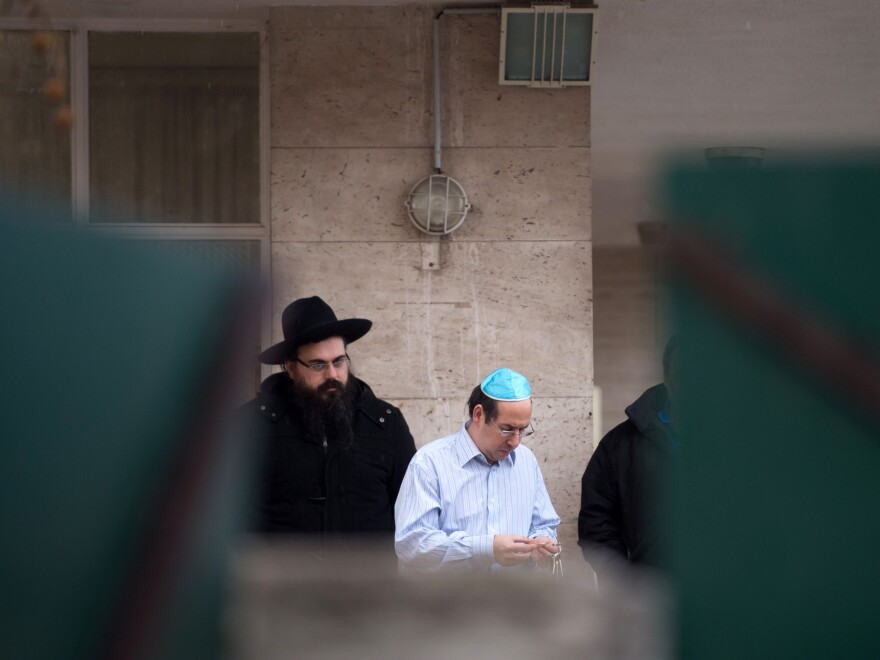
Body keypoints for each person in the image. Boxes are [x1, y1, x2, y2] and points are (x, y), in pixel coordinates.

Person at [243, 295, 416, 539]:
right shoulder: (250, 426)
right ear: (291, 367)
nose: (332, 374)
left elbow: (414, 516)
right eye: (318, 365)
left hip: (370, 577)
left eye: (339, 361)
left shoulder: (387, 423)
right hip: (279, 577)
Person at [394, 368, 561, 574]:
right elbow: (413, 546)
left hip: (515, 600)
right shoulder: (429, 463)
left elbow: (544, 524)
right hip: (446, 603)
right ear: (478, 414)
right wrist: (486, 549)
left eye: (523, 430)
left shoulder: (526, 460)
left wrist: (542, 542)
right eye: (507, 429)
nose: (516, 441)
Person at [577, 336, 678, 579]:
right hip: (647, 596)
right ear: (667, 378)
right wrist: (624, 582)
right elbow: (596, 521)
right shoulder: (620, 444)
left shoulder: (740, 443)